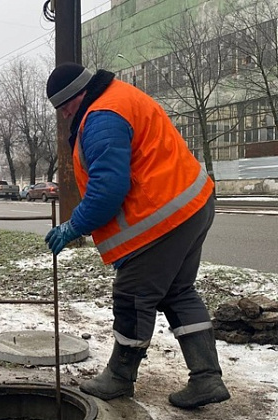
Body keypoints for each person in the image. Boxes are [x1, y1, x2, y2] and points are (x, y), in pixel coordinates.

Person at [44, 63, 230, 409]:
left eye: (64, 106)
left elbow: (107, 190)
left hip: (162, 217)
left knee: (131, 296)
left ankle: (119, 376)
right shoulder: (120, 98)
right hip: (192, 202)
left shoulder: (101, 116)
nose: (65, 114)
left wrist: (74, 226)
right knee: (178, 291)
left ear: (78, 96)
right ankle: (206, 377)